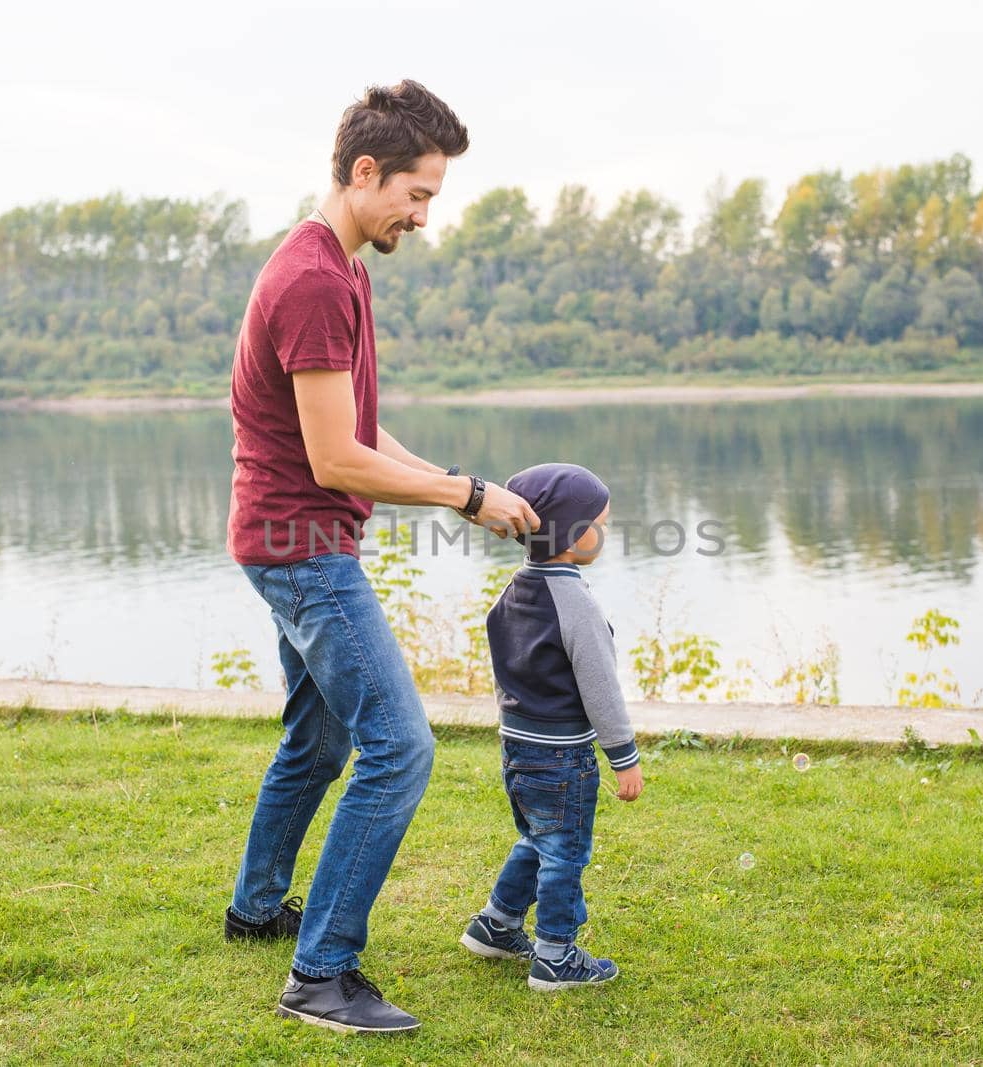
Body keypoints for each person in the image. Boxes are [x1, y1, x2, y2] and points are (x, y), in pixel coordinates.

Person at [224, 79, 539, 1035]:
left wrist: (454, 479)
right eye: (419, 193)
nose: (425, 216)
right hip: (302, 548)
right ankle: (321, 972)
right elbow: (333, 459)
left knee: (319, 738)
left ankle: (256, 909)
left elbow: (358, 427)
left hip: (283, 539)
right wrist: (468, 497)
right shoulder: (316, 278)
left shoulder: (339, 263)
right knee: (399, 748)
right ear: (366, 172)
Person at [461, 463, 643, 991]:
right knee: (565, 853)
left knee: (539, 837)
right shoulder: (576, 603)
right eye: (599, 524)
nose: (604, 534)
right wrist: (624, 758)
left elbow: (505, 665)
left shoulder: (513, 591)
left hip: (517, 746)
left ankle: (496, 925)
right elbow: (601, 689)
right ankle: (557, 956)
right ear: (572, 534)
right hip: (562, 755)